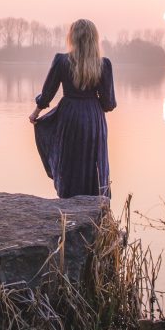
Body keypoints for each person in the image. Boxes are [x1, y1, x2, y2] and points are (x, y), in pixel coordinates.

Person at [29, 19, 116, 198]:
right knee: (95, 161)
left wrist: (36, 113)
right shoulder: (103, 64)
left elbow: (47, 93)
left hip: (69, 116)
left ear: (72, 37)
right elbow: (108, 104)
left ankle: (68, 201)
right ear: (94, 39)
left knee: (69, 159)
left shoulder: (61, 61)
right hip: (94, 118)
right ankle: (96, 205)